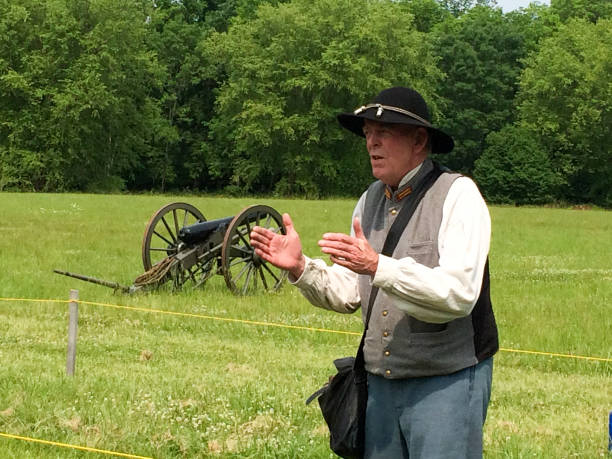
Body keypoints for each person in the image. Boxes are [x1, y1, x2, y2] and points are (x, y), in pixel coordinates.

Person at [249, 86, 498, 458]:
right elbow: (352, 289)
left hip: (446, 381)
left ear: (418, 140)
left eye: (384, 132)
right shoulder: (369, 199)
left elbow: (459, 293)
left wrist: (379, 266)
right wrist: (301, 269)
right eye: (367, 133)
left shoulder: (458, 195)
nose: (371, 143)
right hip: (380, 385)